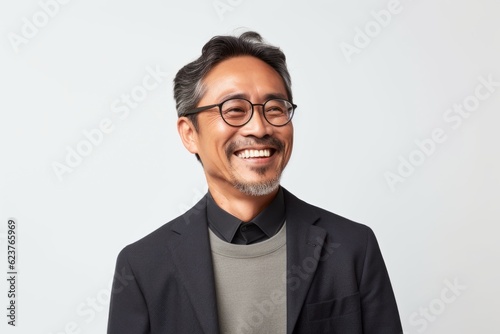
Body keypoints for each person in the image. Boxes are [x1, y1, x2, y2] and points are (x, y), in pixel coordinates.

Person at [107, 31, 403, 334]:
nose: (260, 128)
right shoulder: (143, 266)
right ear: (189, 133)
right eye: (235, 109)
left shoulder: (352, 247)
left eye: (275, 108)